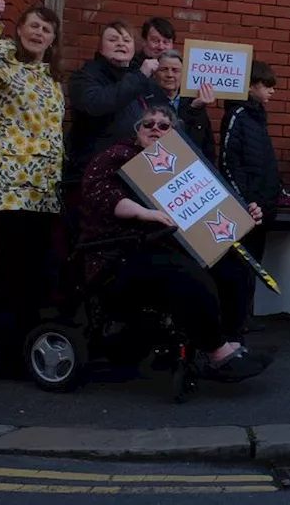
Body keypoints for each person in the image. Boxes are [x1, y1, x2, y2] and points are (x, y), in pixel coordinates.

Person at [79, 105, 272, 382]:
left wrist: (243, 213)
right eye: (148, 124)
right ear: (137, 131)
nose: (156, 129)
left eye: (164, 126)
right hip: (117, 253)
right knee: (185, 275)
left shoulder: (182, 165)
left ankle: (231, 341)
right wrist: (143, 212)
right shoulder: (117, 156)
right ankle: (217, 353)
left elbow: (207, 203)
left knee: (232, 265)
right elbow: (101, 195)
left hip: (165, 246)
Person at [0, 0, 65, 379]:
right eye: (34, 25)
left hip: (44, 189)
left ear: (52, 40)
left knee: (36, 273)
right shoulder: (4, 62)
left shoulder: (52, 80)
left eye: (47, 28)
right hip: (10, 186)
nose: (39, 32)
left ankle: (27, 349)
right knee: (13, 271)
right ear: (19, 30)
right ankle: (6, 358)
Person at [65, 20, 159, 245]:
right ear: (100, 47)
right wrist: (139, 77)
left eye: (126, 40)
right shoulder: (85, 77)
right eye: (113, 39)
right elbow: (98, 104)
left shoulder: (140, 82)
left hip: (132, 182)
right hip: (93, 183)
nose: (120, 44)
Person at [217, 61, 282, 344]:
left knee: (254, 264)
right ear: (251, 85)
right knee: (239, 268)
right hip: (246, 208)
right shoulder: (237, 114)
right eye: (267, 86)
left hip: (262, 208)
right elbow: (229, 162)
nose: (271, 92)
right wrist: (244, 202)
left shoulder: (258, 117)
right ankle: (233, 325)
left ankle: (244, 318)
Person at [150, 49, 217, 161]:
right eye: (164, 69)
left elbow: (207, 145)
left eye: (175, 70)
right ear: (155, 73)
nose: (170, 75)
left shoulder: (195, 103)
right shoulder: (146, 101)